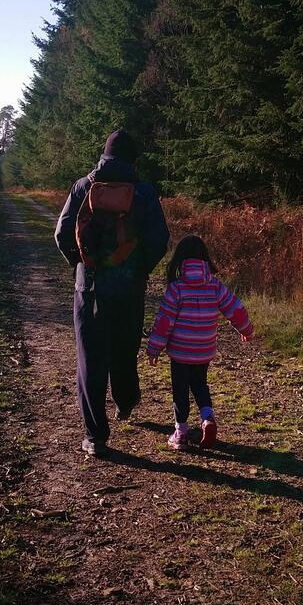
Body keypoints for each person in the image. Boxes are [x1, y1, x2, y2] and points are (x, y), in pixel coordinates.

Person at [55, 130, 170, 457]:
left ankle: (95, 436)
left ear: (104, 154)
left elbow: (62, 233)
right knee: (124, 348)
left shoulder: (83, 186)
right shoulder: (144, 193)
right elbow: (159, 239)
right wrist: (139, 269)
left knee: (90, 359)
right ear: (132, 158)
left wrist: (81, 265)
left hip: (89, 288)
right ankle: (126, 400)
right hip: (128, 287)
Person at [145, 234, 253, 450]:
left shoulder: (176, 289)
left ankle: (181, 433)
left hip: (180, 352)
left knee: (180, 389)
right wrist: (246, 329)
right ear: (205, 258)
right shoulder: (214, 286)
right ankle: (207, 419)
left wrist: (154, 348)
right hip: (204, 350)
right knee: (200, 384)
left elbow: (164, 322)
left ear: (179, 260)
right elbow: (235, 308)